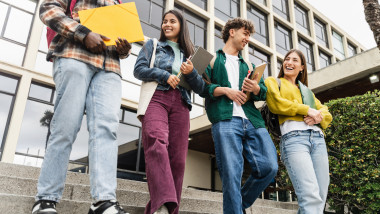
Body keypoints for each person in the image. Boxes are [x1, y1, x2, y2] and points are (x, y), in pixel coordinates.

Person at [32, 1, 131, 214]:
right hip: (74, 54)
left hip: (110, 65)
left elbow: (121, 36)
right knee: (65, 126)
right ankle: (46, 198)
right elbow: (48, 9)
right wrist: (83, 33)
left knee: (107, 130)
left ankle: (103, 201)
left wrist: (124, 49)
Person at [199, 18, 278, 214]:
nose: (247, 39)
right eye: (245, 33)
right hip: (225, 120)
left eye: (249, 36)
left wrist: (256, 87)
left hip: (252, 120)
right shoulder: (211, 59)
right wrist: (225, 90)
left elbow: (264, 93)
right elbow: (201, 87)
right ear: (232, 32)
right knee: (232, 174)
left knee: (269, 167)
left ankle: (237, 206)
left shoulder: (249, 64)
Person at [133, 10, 205, 214]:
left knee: (178, 159)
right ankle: (164, 206)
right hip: (157, 96)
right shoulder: (153, 45)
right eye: (164, 21)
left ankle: (163, 209)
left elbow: (199, 88)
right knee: (156, 142)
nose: (167, 24)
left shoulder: (191, 55)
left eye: (172, 21)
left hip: (181, 103)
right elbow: (138, 70)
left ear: (181, 26)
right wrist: (164, 75)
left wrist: (191, 73)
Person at [265, 49, 333, 213]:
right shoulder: (273, 82)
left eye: (295, 60)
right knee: (310, 196)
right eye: (287, 59)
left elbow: (326, 112)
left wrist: (318, 117)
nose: (289, 62)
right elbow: (276, 103)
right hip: (294, 140)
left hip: (317, 139)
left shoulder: (307, 91)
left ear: (302, 67)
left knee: (321, 196)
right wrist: (306, 110)